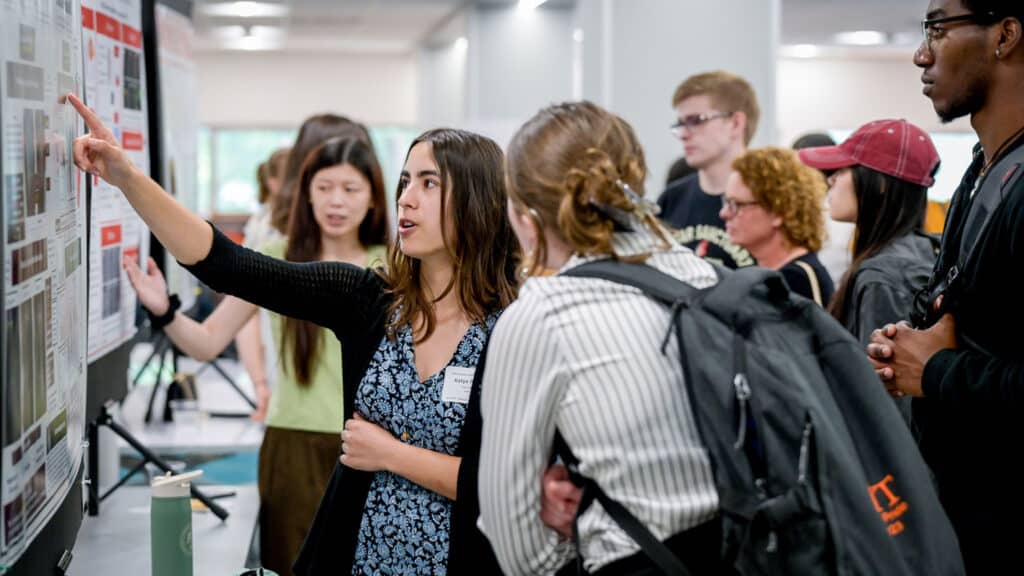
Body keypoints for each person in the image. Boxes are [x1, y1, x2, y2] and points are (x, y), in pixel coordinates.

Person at [68, 92, 518, 575]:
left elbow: (502, 486)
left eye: (429, 184)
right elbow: (230, 265)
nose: (406, 197)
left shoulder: (512, 330)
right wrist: (128, 178)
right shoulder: (371, 302)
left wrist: (390, 454)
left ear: (477, 203)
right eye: (406, 180)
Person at [479, 101, 726, 575]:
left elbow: (517, 544)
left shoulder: (543, 313)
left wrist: (576, 543)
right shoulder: (708, 278)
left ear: (525, 218)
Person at [123, 136, 389, 575]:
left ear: (373, 197)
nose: (336, 201)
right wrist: (164, 311)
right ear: (305, 193)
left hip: (374, 450)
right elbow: (208, 341)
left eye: (350, 189)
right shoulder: (277, 260)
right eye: (324, 188)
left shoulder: (394, 269)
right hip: (293, 443)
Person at [867, 1, 1024, 573]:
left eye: (938, 29)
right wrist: (911, 343)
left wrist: (934, 372)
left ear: (1005, 35)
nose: (921, 54)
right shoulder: (986, 167)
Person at [799, 119, 940, 424]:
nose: (830, 180)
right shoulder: (920, 250)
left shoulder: (882, 277)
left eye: (842, 169)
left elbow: (885, 405)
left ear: (881, 183)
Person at [657, 70, 758, 268]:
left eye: (696, 121)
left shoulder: (767, 200)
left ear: (736, 123)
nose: (684, 134)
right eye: (680, 124)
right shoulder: (671, 199)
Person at [720, 147, 834, 305]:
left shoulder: (799, 281)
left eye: (736, 204)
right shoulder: (773, 274)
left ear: (777, 211)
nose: (724, 213)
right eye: (726, 202)